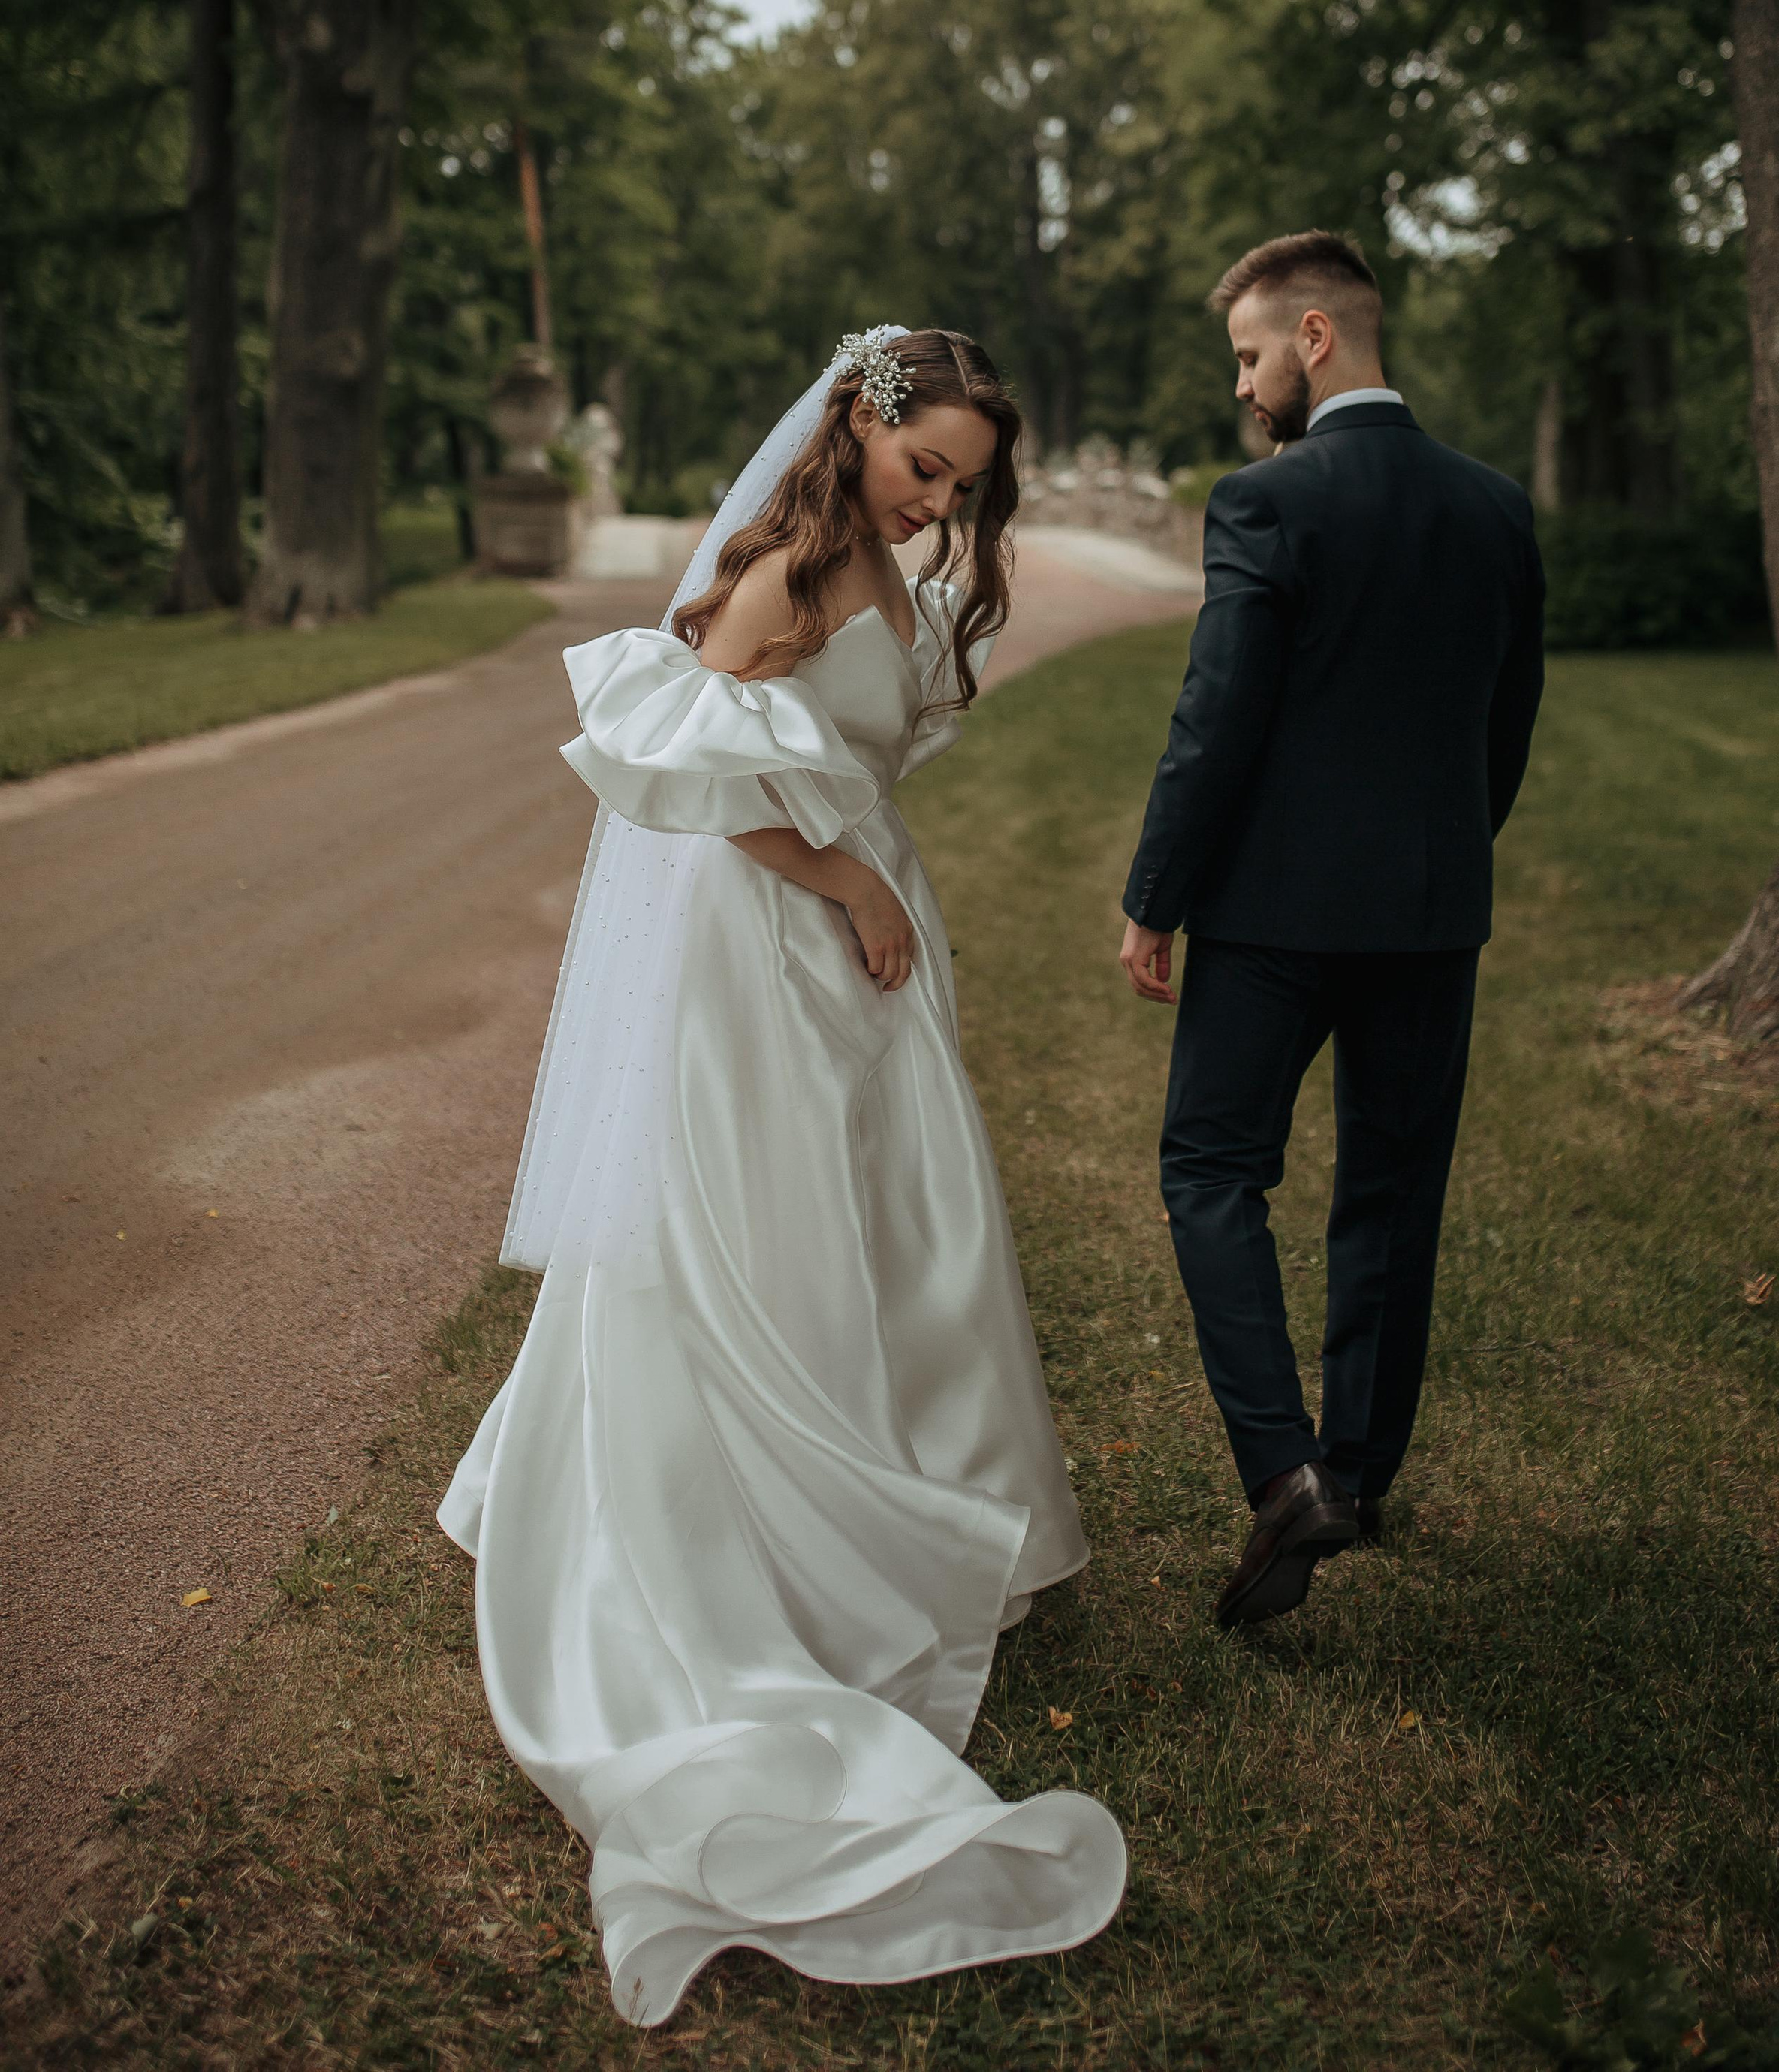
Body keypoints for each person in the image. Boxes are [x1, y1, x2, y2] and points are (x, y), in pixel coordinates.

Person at [440, 326, 1126, 2025]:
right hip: (767, 942)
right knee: (770, 1228)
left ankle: (924, 1484)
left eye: (958, 483)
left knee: (908, 1225)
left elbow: (862, 749)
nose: (936, 499)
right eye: (922, 468)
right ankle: (762, 1533)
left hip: (859, 934)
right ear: (859, 430)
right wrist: (844, 880)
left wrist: (876, 886)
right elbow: (684, 786)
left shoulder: (893, 582)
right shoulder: (783, 576)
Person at [1118, 234, 1545, 1630]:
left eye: (1248, 355)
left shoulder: (1267, 504)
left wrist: (1156, 894)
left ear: (1315, 337)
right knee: (1392, 1190)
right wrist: (1435, 863)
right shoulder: (1495, 507)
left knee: (1210, 1170)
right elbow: (1506, 729)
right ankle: (1355, 1474)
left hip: (1273, 915)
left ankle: (1282, 1477)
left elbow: (1216, 721)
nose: (1244, 388)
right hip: (1430, 913)